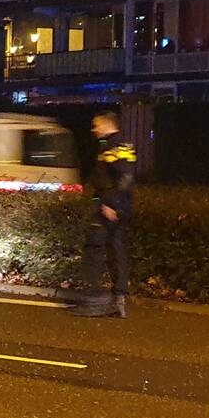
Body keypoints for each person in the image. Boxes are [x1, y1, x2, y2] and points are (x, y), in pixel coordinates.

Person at [71, 111, 136, 319]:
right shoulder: (119, 144)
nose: (93, 129)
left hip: (110, 207)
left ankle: (95, 300)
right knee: (116, 250)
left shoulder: (113, 146)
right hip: (119, 206)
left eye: (96, 125)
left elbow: (125, 176)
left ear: (107, 125)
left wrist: (110, 204)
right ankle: (119, 299)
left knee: (94, 249)